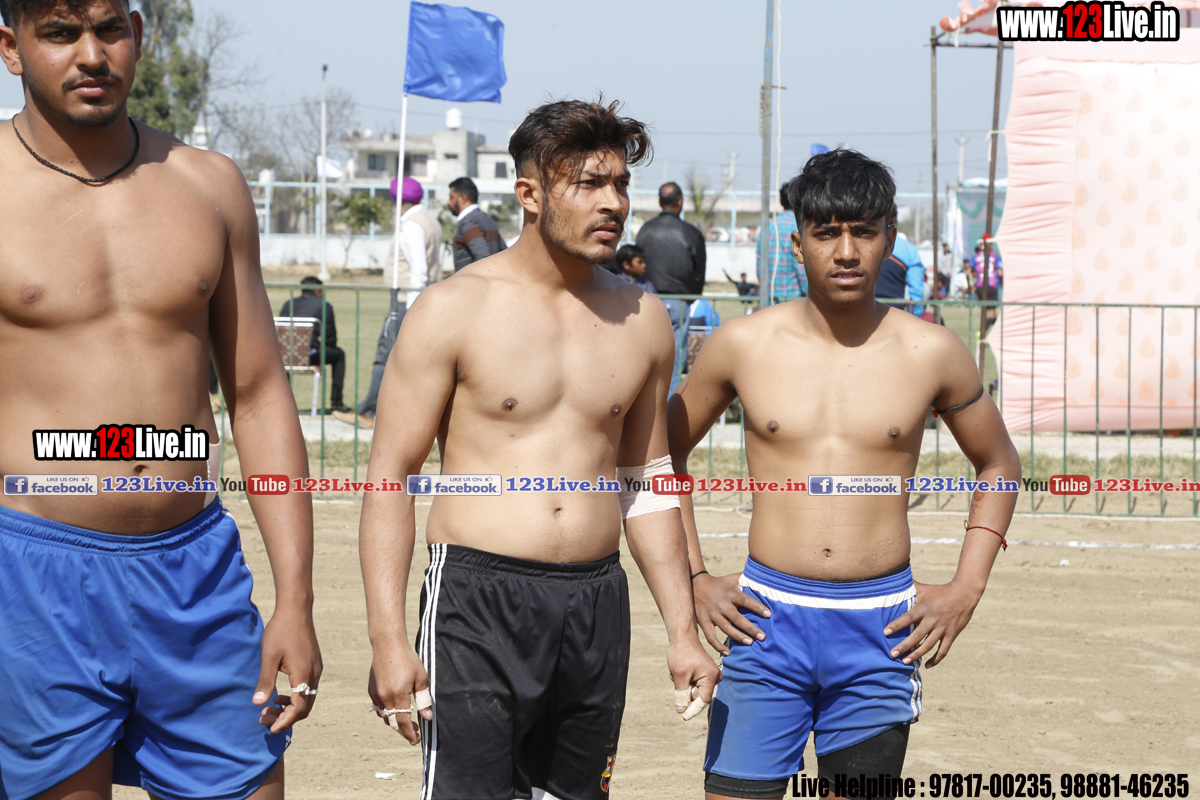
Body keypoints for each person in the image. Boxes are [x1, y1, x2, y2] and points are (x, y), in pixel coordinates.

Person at [0, 1, 321, 797]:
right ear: (11, 47)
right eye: (60, 33)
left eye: (109, 29)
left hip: (196, 573)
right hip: (34, 578)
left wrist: (295, 597)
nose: (91, 54)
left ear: (138, 36)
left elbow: (258, 393)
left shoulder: (208, 184)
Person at [359, 98, 720, 800]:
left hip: (595, 602)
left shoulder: (643, 319)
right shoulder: (452, 309)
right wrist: (388, 640)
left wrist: (683, 631)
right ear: (529, 194)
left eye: (621, 184)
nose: (613, 202)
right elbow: (390, 477)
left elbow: (647, 481)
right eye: (589, 184)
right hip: (477, 600)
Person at [668, 149, 1020, 800]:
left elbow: (998, 463)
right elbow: (662, 456)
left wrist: (967, 587)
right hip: (765, 622)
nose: (847, 251)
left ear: (890, 236)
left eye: (864, 231)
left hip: (880, 632)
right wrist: (693, 578)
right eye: (827, 232)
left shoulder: (933, 351)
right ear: (796, 243)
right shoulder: (742, 344)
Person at [335, 176, 440, 428]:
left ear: (398, 201)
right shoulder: (430, 220)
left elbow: (419, 270)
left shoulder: (411, 226)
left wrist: (413, 308)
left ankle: (369, 412)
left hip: (406, 300)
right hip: (418, 298)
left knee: (385, 354)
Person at [635, 181, 706, 393]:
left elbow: (637, 265)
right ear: (680, 202)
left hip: (647, 300)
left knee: (644, 356)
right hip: (679, 303)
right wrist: (692, 296)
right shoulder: (691, 232)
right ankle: (668, 408)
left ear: (659, 202)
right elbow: (699, 270)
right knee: (674, 358)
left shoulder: (645, 230)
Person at [279, 276, 350, 415]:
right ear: (318, 290)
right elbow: (330, 338)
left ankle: (282, 403)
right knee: (339, 354)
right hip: (309, 356)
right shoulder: (324, 305)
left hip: (284, 357)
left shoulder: (288, 304)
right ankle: (337, 403)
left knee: (288, 354)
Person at [758, 182, 806, 306]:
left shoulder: (766, 227)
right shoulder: (798, 227)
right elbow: (802, 271)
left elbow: (759, 267)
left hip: (768, 302)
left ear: (780, 202)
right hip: (793, 303)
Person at [447, 176, 505, 271]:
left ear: (462, 198)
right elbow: (504, 253)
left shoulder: (468, 221)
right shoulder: (488, 220)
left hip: (473, 280)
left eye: (451, 197)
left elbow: (483, 259)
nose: (448, 202)